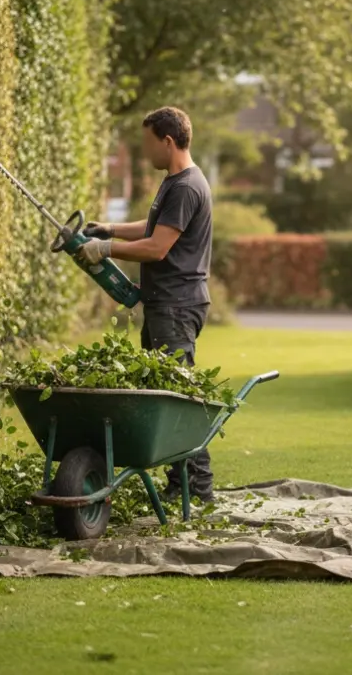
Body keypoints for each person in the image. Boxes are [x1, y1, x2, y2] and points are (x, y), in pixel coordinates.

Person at [73, 106, 216, 503]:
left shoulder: (187, 187)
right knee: (164, 397)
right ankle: (180, 483)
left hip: (176, 306)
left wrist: (105, 249)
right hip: (163, 304)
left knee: (179, 400)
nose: (143, 152)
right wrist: (111, 228)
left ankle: (198, 489)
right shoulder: (174, 182)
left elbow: (156, 248)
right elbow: (154, 227)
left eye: (147, 143)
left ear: (167, 142)